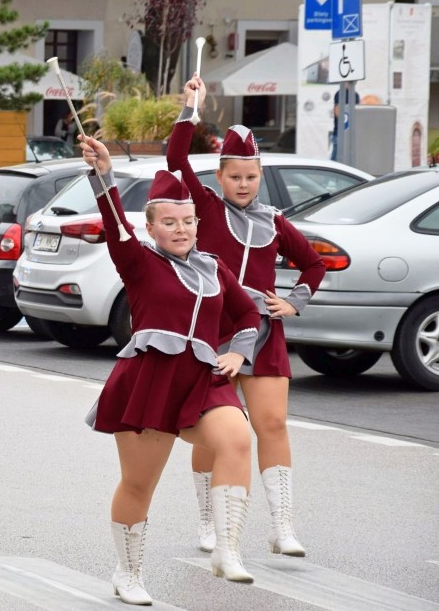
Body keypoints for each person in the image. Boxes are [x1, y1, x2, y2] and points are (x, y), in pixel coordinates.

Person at [80, 134, 261, 604]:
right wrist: (104, 175)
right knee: (140, 484)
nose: (180, 230)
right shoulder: (138, 261)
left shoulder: (213, 268)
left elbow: (246, 315)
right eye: (169, 222)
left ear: (198, 223)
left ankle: (227, 549)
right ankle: (128, 572)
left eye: (188, 221)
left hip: (203, 380)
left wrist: (239, 353)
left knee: (238, 438)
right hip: (150, 382)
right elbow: (114, 222)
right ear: (152, 226)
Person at [167, 74, 326, 560]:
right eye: (234, 176)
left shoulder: (274, 221)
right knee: (214, 428)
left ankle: (282, 527)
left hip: (263, 332)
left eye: (251, 176)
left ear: (261, 175)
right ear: (220, 177)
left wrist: (295, 299)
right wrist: (189, 109)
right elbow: (175, 161)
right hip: (214, 329)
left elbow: (315, 263)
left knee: (272, 424)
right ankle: (209, 522)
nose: (242, 184)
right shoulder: (206, 209)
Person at [330, 87, 359, 161]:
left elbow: (358, 111)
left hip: (350, 133)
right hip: (339, 133)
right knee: (336, 159)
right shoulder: (340, 94)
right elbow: (337, 111)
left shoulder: (355, 95)